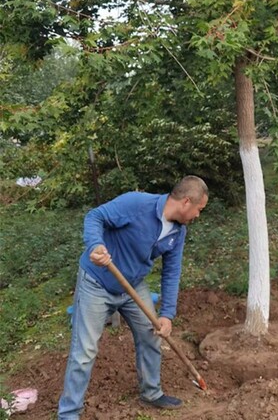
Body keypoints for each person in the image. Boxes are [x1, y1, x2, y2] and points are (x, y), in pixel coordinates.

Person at [57, 175, 209, 419]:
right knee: (84, 351)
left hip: (132, 286)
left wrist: (167, 314)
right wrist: (95, 245)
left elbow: (172, 272)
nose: (198, 216)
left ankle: (151, 393)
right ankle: (69, 413)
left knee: (152, 335)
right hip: (97, 281)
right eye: (199, 209)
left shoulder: (178, 232)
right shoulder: (137, 204)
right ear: (186, 202)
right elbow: (95, 216)